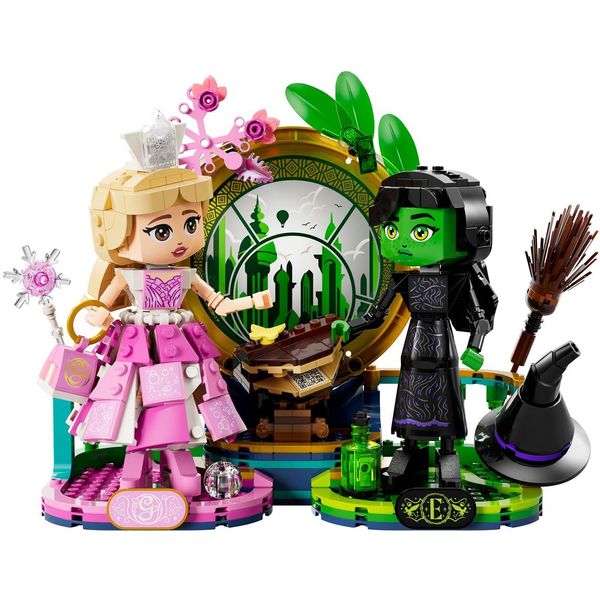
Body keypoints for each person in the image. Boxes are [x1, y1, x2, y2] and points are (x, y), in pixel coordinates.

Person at [68, 115, 271, 500]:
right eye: (162, 230)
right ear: (119, 232)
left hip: (177, 345)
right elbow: (98, 308)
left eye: (191, 223)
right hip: (139, 345)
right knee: (134, 402)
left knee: (181, 400)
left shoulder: (186, 275)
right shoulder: (126, 276)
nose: (180, 239)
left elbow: (219, 303)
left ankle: (178, 456)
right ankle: (136, 461)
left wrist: (251, 301)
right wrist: (98, 316)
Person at [332, 167, 496, 490]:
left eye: (421, 232)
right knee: (410, 399)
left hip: (441, 348)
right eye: (392, 231)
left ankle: (447, 453)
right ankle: (409, 448)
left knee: (445, 398)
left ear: (466, 233)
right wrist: (350, 327)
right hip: (415, 347)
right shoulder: (405, 279)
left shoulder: (459, 280)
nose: (403, 242)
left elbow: (480, 316)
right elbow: (377, 315)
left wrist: (475, 346)